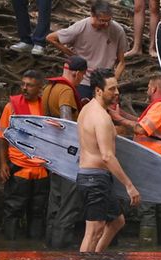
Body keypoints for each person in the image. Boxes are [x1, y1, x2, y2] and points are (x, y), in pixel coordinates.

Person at [75, 68, 141, 252]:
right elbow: (107, 156)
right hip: (94, 179)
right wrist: (129, 185)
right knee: (94, 231)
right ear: (98, 90)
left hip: (92, 177)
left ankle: (96, 259)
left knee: (117, 221)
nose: (117, 92)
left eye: (117, 88)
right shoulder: (101, 118)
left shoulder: (87, 110)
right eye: (112, 89)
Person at [108, 75, 161, 245]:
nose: (146, 90)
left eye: (148, 87)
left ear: (154, 89)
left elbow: (140, 128)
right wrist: (122, 114)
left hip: (154, 163)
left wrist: (117, 119)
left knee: (149, 208)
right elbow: (141, 122)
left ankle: (148, 252)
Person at [0, 70, 50, 241]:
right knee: (13, 210)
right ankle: (9, 251)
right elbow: (2, 137)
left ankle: (34, 253)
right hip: (19, 170)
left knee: (38, 212)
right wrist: (3, 164)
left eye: (30, 85)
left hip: (41, 171)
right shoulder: (11, 107)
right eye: (23, 84)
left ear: (40, 88)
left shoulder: (46, 106)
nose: (24, 88)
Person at [42, 55, 88, 248]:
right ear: (76, 74)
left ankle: (49, 247)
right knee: (69, 205)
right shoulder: (66, 91)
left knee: (55, 202)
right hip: (67, 156)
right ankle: (61, 251)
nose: (80, 81)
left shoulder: (48, 88)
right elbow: (66, 123)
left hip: (52, 154)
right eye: (81, 77)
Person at [47, 0, 127, 101]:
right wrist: (71, 54)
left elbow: (122, 62)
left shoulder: (117, 30)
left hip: (104, 79)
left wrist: (112, 81)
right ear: (92, 15)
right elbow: (51, 38)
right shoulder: (80, 27)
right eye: (102, 20)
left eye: (108, 20)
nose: (106, 24)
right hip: (84, 80)